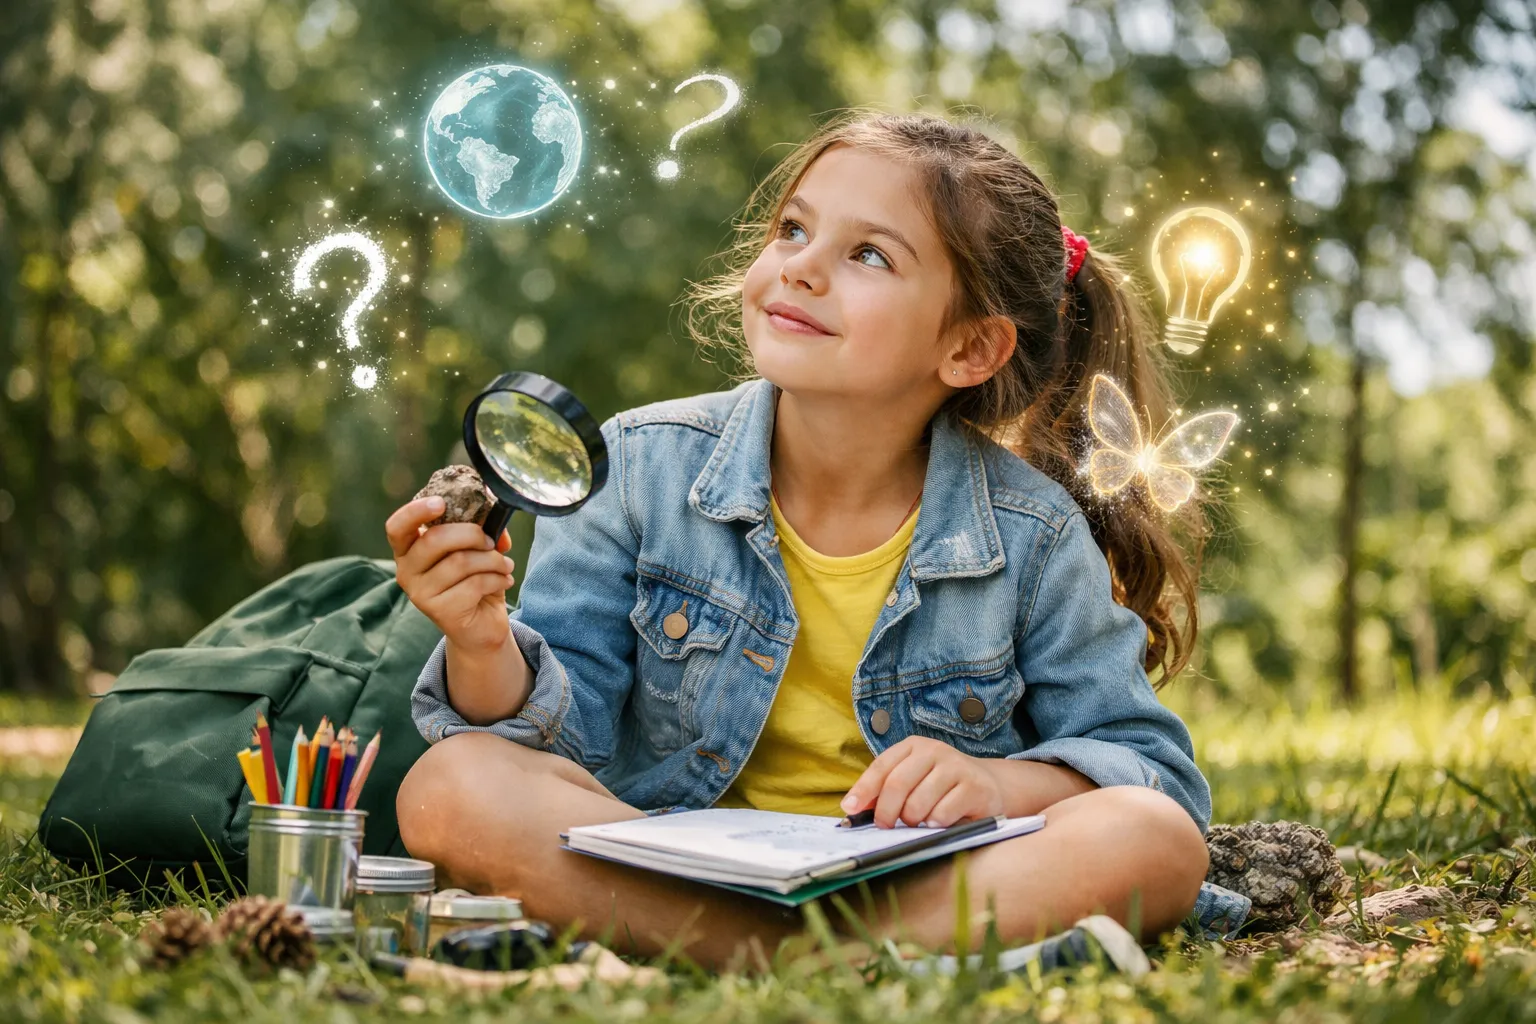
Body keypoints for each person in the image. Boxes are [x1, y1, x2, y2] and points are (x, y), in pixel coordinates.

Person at [387, 112, 1218, 972]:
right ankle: (834, 960)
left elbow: (1149, 768)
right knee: (452, 786)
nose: (802, 267)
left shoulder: (1033, 535)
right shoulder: (637, 471)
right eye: (794, 228)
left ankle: (762, 955)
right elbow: (560, 744)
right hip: (673, 863)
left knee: (1151, 836)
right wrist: (481, 642)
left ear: (970, 346)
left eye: (869, 255)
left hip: (920, 879)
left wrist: (1002, 786)